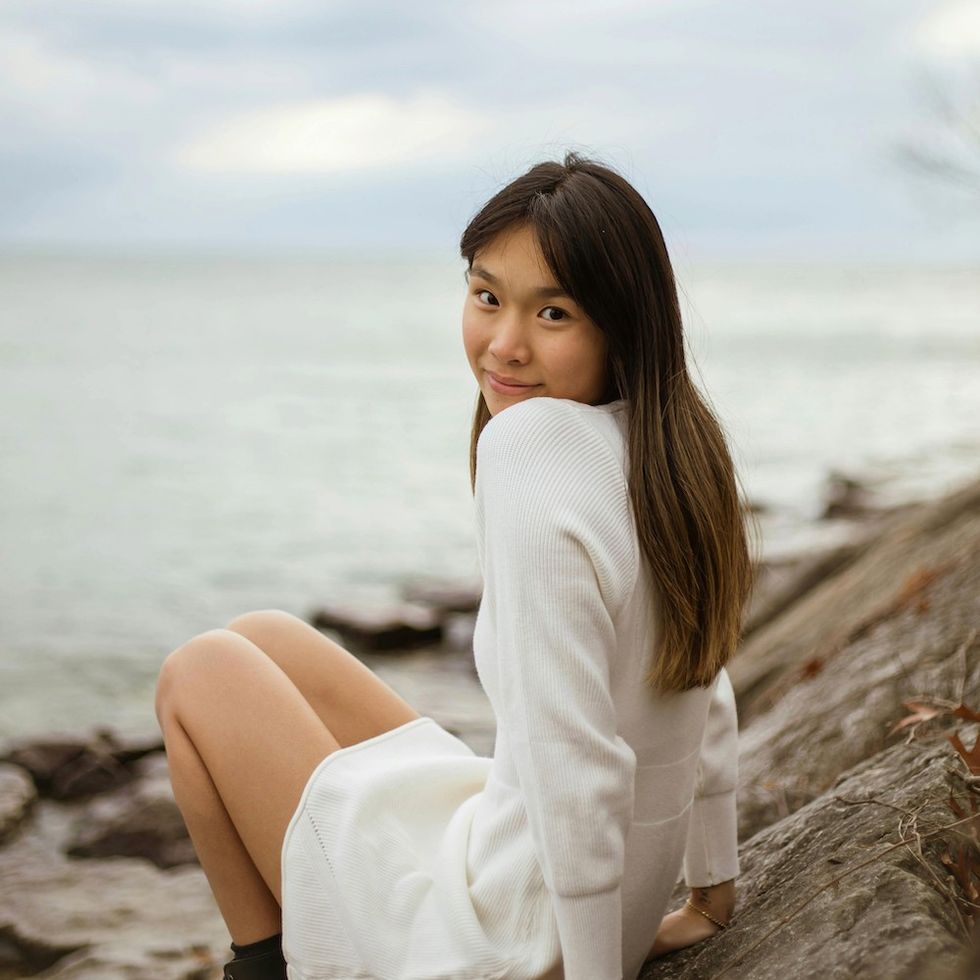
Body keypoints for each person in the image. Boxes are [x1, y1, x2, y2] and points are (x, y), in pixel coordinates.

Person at [154, 150, 757, 980]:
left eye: (553, 314)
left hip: (501, 943)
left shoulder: (528, 449)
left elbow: (572, 762)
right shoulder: (672, 448)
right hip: (574, 906)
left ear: (622, 323)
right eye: (486, 296)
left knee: (198, 672)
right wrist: (708, 898)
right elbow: (704, 690)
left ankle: (263, 968)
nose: (503, 346)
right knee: (265, 636)